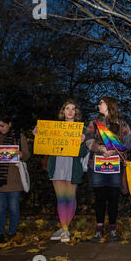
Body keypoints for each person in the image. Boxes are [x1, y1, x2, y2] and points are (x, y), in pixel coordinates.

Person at [32, 100, 88, 243]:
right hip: (57, 166)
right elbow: (44, 147)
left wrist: (82, 142)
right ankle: (65, 230)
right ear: (63, 111)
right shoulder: (53, 128)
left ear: (76, 112)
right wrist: (38, 135)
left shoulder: (82, 130)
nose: (70, 111)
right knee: (61, 198)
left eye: (73, 109)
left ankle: (64, 229)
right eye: (67, 108)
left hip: (72, 167)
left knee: (70, 198)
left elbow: (82, 153)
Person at [84, 97, 131, 242]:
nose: (98, 105)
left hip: (115, 166)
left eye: (101, 103)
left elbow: (128, 142)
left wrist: (115, 150)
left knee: (113, 197)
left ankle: (112, 229)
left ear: (109, 105)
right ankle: (98, 229)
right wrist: (100, 148)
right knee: (99, 198)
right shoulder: (93, 123)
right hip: (97, 165)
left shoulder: (122, 124)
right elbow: (88, 140)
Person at [0, 114, 30, 248]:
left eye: (2, 125)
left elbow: (26, 155)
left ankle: (12, 232)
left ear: (9, 124)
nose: (0, 129)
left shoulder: (19, 137)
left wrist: (21, 154)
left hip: (13, 178)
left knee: (14, 207)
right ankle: (0, 233)